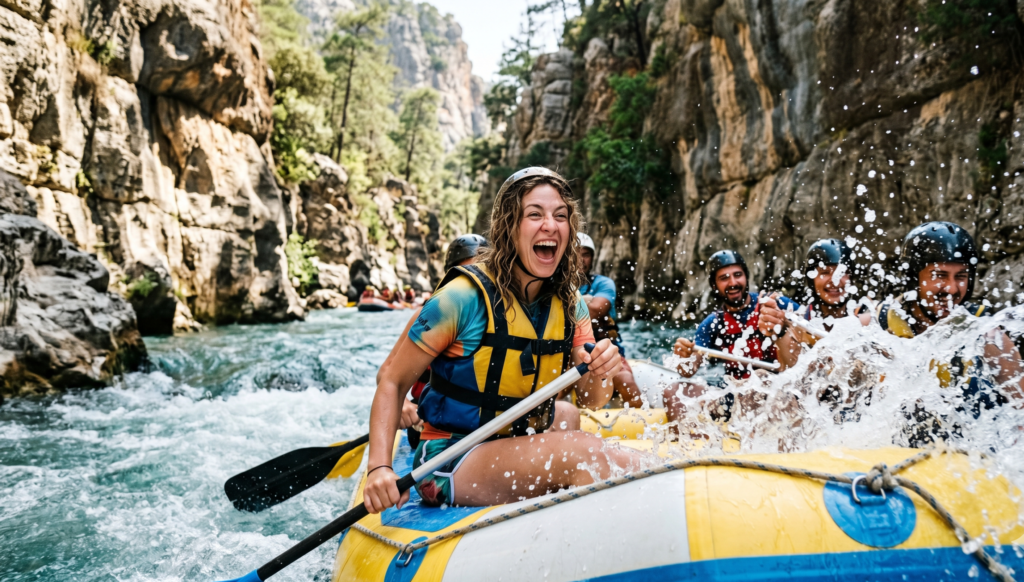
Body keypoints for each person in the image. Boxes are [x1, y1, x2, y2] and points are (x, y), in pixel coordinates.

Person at [364, 166, 642, 512]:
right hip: (449, 459)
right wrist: (379, 467)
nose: (550, 225)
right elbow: (392, 378)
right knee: (580, 451)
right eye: (534, 214)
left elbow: (594, 400)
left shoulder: (571, 304)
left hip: (515, 441)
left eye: (560, 216)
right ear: (509, 226)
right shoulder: (461, 298)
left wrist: (601, 370)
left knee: (568, 414)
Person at [876, 221, 1024, 445]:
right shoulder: (875, 327)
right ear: (913, 278)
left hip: (966, 464)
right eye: (940, 275)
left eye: (961, 276)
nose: (952, 289)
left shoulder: (989, 337)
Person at [663, 249, 802, 428]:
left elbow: (810, 329)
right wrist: (684, 358)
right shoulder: (713, 323)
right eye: (724, 278)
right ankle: (692, 446)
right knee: (673, 391)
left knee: (758, 388)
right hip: (735, 392)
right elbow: (689, 369)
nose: (733, 282)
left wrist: (784, 325)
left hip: (776, 390)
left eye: (738, 275)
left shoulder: (774, 304)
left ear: (746, 278)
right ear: (714, 286)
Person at [377, 233, 490, 448]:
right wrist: (403, 405)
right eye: (467, 272)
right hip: (431, 423)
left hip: (485, 423)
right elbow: (386, 373)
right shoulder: (434, 312)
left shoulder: (507, 317)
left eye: (482, 270)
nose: (477, 280)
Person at [576, 232, 644, 408]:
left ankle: (642, 423)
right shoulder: (554, 286)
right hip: (570, 355)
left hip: (606, 353)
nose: (580, 259)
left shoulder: (603, 283)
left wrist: (571, 303)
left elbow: (597, 309)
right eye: (575, 253)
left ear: (592, 258)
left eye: (586, 254)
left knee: (626, 381)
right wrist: (585, 300)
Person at [793, 238, 872, 345]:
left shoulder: (869, 322)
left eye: (842, 272)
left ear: (851, 279)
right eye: (825, 272)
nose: (835, 280)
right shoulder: (797, 323)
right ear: (811, 279)